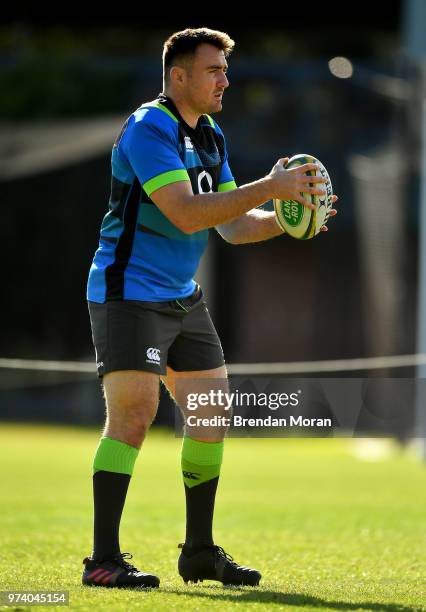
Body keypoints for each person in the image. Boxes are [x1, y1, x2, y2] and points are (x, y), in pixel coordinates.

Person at [83, 27, 337, 589]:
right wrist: (272, 185)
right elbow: (185, 213)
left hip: (180, 294)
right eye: (213, 70)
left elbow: (234, 226)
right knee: (132, 417)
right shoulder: (150, 127)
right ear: (179, 76)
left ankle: (198, 552)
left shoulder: (211, 134)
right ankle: (102, 560)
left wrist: (294, 221)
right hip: (129, 291)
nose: (225, 79)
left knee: (210, 416)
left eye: (225, 69)